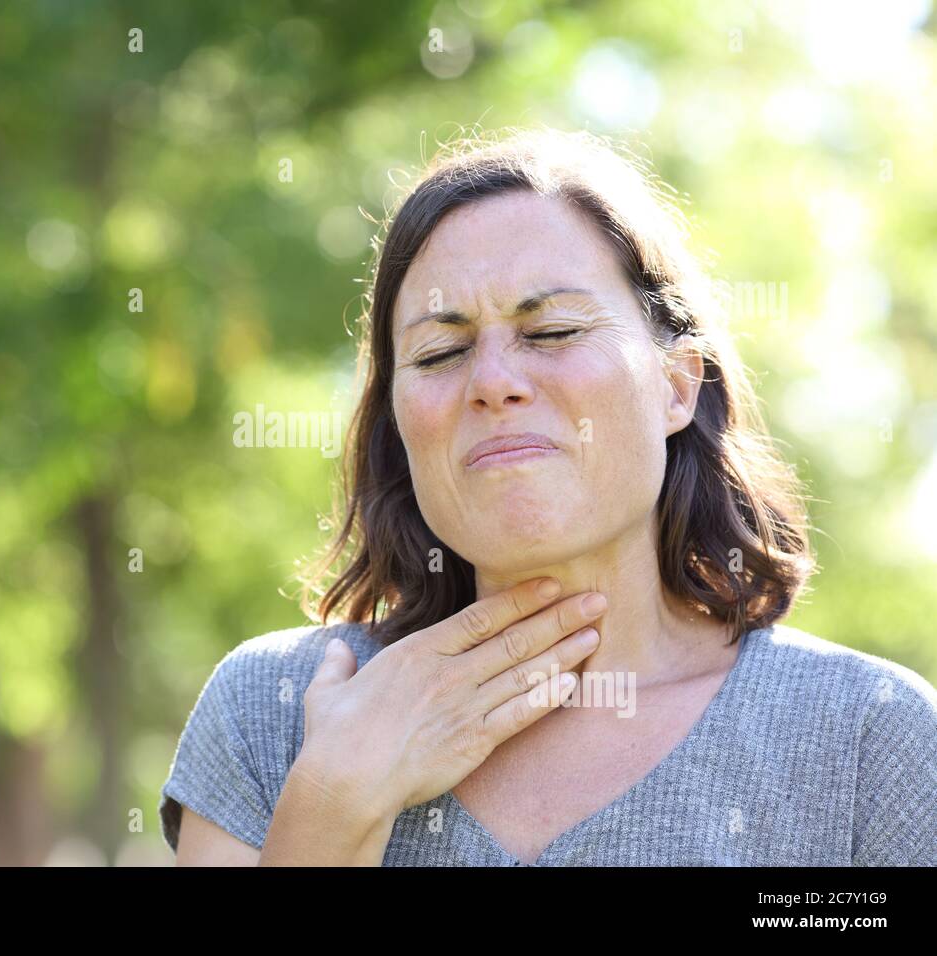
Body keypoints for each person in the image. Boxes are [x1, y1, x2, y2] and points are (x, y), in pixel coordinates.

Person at [158, 127, 937, 866]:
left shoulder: (866, 737)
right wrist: (336, 800)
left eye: (554, 331)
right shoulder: (270, 712)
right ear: (398, 423)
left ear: (675, 386)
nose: (494, 382)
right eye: (441, 351)